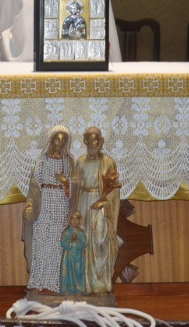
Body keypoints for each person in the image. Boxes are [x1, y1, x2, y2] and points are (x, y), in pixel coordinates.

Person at [23, 125, 74, 293]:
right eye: (57, 139)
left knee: (58, 243)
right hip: (45, 203)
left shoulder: (68, 162)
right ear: (51, 140)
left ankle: (58, 282)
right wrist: (31, 203)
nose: (60, 142)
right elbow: (35, 185)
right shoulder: (42, 161)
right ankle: (40, 280)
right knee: (42, 241)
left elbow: (76, 185)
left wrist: (66, 182)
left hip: (61, 203)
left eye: (63, 139)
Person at [71, 126, 121, 295]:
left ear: (101, 141)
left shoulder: (108, 162)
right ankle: (83, 283)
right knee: (83, 241)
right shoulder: (79, 161)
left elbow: (114, 188)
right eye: (90, 140)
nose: (93, 143)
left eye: (96, 139)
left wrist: (103, 202)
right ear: (85, 141)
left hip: (100, 206)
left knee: (100, 241)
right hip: (83, 204)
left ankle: (100, 283)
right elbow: (74, 186)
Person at [59, 210, 88, 296]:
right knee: (68, 272)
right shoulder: (66, 232)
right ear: (69, 220)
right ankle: (66, 289)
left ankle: (79, 289)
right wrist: (71, 242)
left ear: (79, 221)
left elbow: (84, 244)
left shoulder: (81, 232)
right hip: (68, 256)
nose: (74, 221)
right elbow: (63, 243)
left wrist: (78, 242)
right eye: (72, 219)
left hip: (78, 257)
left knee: (78, 272)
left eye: (76, 219)